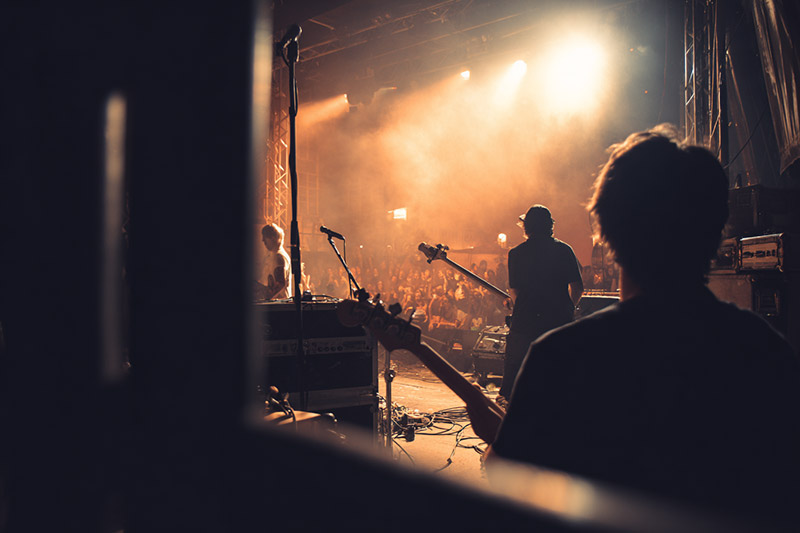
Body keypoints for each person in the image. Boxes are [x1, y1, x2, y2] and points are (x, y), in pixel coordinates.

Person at [486, 125, 800, 523]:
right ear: (717, 230)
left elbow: (507, 483)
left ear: (607, 231)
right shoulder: (767, 353)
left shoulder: (560, 359)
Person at [498, 205, 583, 405]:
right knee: (557, 376)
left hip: (525, 322)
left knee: (515, 374)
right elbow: (577, 287)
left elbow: (515, 291)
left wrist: (522, 306)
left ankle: (510, 420)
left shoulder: (516, 253)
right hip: (557, 322)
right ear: (550, 226)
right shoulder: (564, 250)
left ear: (526, 227)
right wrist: (568, 308)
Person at [255, 223, 292, 300]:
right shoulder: (276, 255)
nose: (263, 240)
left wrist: (264, 297)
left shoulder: (279, 257)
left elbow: (280, 283)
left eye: (265, 237)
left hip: (277, 306)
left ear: (274, 238)